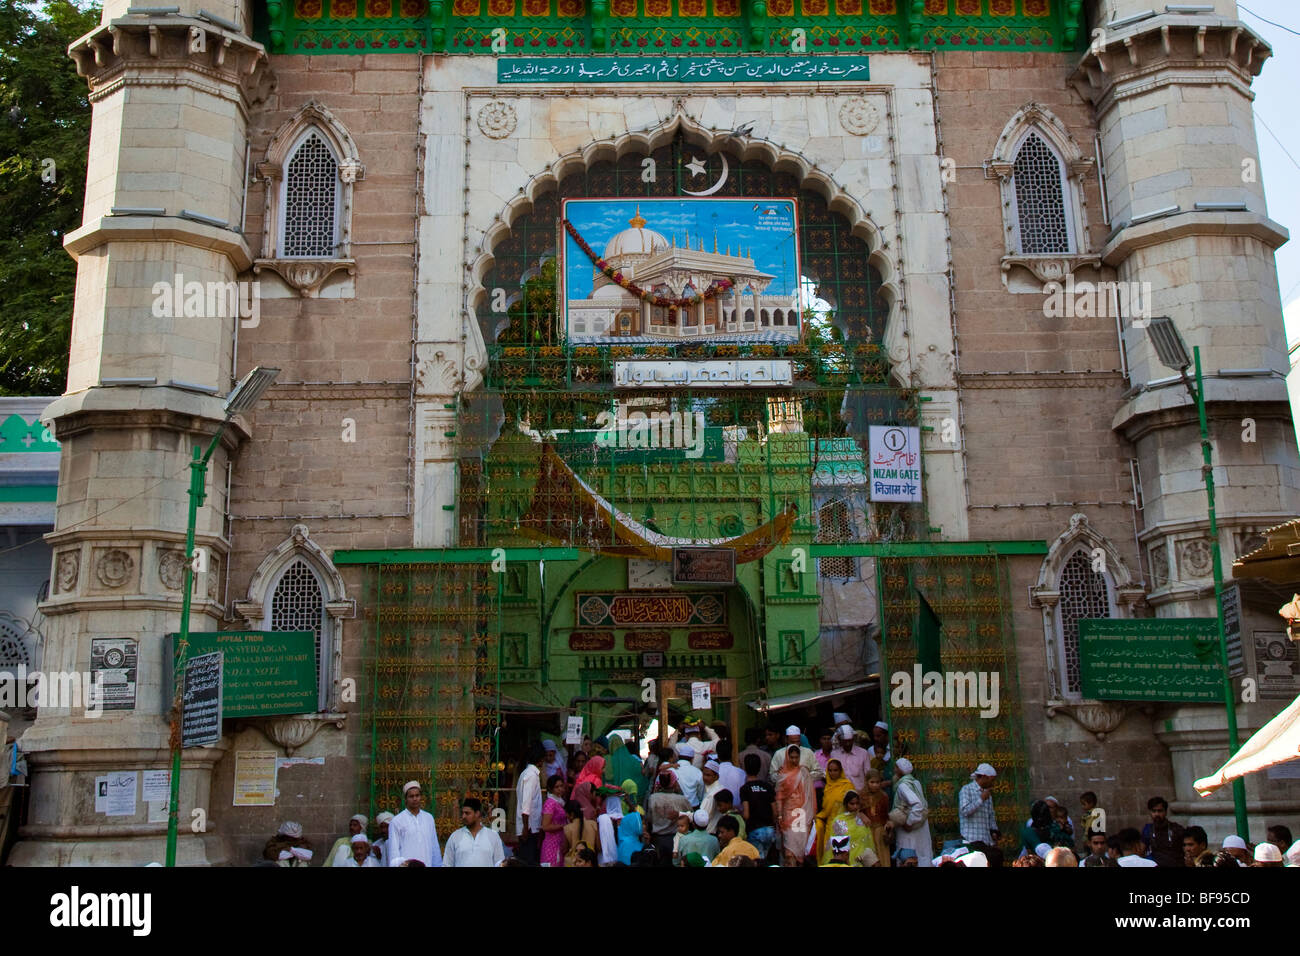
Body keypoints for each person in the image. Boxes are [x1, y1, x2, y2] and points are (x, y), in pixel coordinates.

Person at [774, 744, 817, 866]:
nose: (794, 760)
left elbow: (810, 796)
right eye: (791, 757)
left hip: (802, 815)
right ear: (787, 757)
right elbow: (779, 797)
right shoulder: (782, 775)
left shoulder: (804, 772)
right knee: (789, 852)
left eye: (796, 757)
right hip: (787, 816)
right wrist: (780, 816)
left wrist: (811, 815)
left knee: (801, 851)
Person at [388, 781, 442, 867]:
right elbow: (394, 851)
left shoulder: (429, 818)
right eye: (411, 796)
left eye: (417, 795)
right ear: (405, 799)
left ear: (421, 797)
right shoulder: (397, 821)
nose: (415, 799)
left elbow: (434, 846)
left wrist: (438, 865)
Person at [441, 797, 505, 867]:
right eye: (462, 813)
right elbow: (447, 864)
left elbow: (499, 863)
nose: (463, 816)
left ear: (477, 813)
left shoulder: (493, 836)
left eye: (467, 813)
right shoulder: (455, 836)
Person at [891, 757, 931, 867]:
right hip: (920, 825)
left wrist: (909, 822)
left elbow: (918, 804)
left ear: (900, 770)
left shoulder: (903, 785)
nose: (894, 770)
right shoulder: (915, 782)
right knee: (922, 853)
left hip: (910, 828)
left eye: (896, 767)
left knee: (909, 855)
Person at [819, 789, 876, 867]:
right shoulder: (839, 821)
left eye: (857, 803)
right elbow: (837, 847)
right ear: (845, 804)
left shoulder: (863, 820)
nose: (855, 806)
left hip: (862, 862)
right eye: (852, 804)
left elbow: (868, 842)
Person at [647, 769, 691, 864]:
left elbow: (649, 819)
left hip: (658, 840)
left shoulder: (653, 798)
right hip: (678, 839)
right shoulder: (682, 799)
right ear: (674, 782)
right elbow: (691, 816)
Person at [739, 752, 777, 863]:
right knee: (765, 860)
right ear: (760, 767)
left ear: (745, 768)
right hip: (770, 831)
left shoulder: (745, 788)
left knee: (756, 861)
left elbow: (746, 814)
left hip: (755, 831)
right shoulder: (768, 786)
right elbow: (775, 812)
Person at [815, 758, 853, 861]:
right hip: (830, 825)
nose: (832, 773)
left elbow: (853, 805)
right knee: (830, 854)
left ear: (840, 771)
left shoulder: (847, 785)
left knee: (843, 854)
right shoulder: (827, 787)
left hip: (843, 824)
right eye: (830, 770)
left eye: (835, 770)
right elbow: (826, 808)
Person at [515, 744, 544, 864]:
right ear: (540, 759)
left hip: (530, 826)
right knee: (528, 860)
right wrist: (525, 828)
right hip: (529, 828)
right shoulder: (531, 775)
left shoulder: (529, 774)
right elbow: (526, 805)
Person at [958, 762, 1000, 846]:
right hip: (971, 840)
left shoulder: (987, 794)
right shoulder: (966, 790)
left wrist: (994, 831)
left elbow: (991, 815)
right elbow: (965, 811)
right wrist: (981, 799)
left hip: (986, 841)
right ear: (984, 777)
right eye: (991, 780)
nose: (992, 783)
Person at [1140, 796, 1184, 867]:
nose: (1157, 814)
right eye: (1154, 811)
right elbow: (1141, 851)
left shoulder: (1176, 829)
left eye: (1160, 811)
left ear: (1165, 812)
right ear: (1150, 812)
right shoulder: (1148, 829)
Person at [860, 769, 892, 867]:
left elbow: (886, 815)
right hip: (866, 831)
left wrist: (889, 828)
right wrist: (861, 815)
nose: (875, 785)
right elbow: (857, 810)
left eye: (877, 782)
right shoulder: (861, 796)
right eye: (872, 782)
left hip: (880, 830)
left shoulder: (883, 796)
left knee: (882, 857)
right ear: (867, 782)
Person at [539, 774, 568, 866]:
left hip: (559, 842)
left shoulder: (559, 801)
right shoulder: (550, 803)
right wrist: (564, 826)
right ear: (551, 789)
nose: (560, 789)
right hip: (552, 844)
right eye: (556, 787)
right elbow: (545, 826)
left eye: (561, 786)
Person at [615, 779, 645, 865]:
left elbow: (639, 818)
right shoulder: (618, 806)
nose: (633, 797)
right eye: (630, 794)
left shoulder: (638, 808)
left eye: (634, 794)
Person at [562, 799, 596, 867]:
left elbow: (564, 850)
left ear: (571, 814)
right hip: (591, 861)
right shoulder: (593, 824)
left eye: (566, 813)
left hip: (576, 863)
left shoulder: (567, 828)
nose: (566, 815)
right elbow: (598, 847)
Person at [572, 754, 606, 821]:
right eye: (602, 767)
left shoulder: (584, 777)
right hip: (591, 813)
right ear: (596, 766)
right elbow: (597, 801)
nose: (604, 770)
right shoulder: (596, 780)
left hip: (578, 810)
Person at [713, 740, 747, 806]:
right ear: (732, 752)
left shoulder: (713, 773)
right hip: (736, 812)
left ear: (717, 753)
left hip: (718, 812)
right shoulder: (741, 773)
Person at [699, 760, 726, 829]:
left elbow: (701, 816)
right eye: (704, 774)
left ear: (716, 776)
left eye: (708, 775)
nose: (704, 777)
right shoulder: (710, 787)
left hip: (710, 830)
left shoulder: (713, 793)